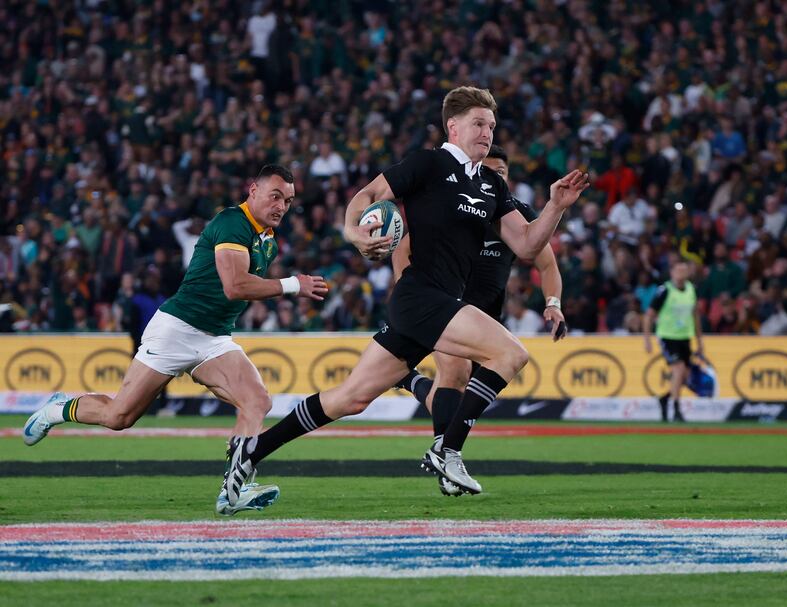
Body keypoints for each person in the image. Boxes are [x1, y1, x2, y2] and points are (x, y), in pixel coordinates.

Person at [220, 86, 588, 504]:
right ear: (453, 126)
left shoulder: (491, 184)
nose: (487, 132)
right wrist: (352, 232)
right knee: (510, 354)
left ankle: (252, 451)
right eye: (478, 124)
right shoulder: (427, 164)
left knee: (350, 398)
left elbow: (526, 245)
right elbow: (368, 196)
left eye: (491, 125)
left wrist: (555, 207)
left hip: (433, 304)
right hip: (420, 296)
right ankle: (447, 449)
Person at [22, 164, 328, 514]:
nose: (281, 207)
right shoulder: (232, 222)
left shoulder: (268, 240)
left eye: (287, 201)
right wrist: (292, 285)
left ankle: (232, 492)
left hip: (214, 339)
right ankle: (58, 408)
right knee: (119, 417)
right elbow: (234, 286)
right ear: (252, 190)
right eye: (275, 196)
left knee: (257, 401)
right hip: (176, 330)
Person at [392, 144, 566, 496]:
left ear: (507, 176)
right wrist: (409, 293)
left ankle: (411, 382)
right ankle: (446, 459)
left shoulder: (517, 215)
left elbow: (546, 263)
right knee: (455, 375)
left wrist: (553, 302)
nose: (492, 177)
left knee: (454, 388)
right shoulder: (454, 204)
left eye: (499, 172)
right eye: (486, 170)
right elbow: (402, 248)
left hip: (486, 316)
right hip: (446, 305)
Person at [643, 260, 704, 422]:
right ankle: (676, 409)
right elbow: (649, 315)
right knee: (679, 369)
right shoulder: (664, 291)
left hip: (685, 336)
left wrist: (700, 340)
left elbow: (695, 315)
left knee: (685, 376)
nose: (681, 274)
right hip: (668, 336)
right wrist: (647, 339)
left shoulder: (691, 289)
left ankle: (665, 399)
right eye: (678, 270)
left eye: (684, 270)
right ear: (672, 272)